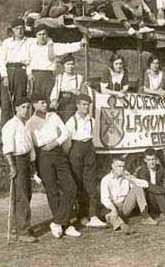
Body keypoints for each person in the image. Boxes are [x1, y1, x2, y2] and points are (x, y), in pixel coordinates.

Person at [26, 94, 79, 238]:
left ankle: (57, 221)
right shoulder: (30, 123)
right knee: (52, 190)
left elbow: (65, 132)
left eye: (46, 102)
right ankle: (65, 224)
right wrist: (34, 169)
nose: (45, 105)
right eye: (42, 103)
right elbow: (30, 146)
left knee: (71, 187)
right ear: (34, 105)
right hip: (42, 155)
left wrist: (55, 143)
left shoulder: (53, 116)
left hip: (57, 151)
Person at [65, 94, 108, 228]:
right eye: (83, 104)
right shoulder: (72, 121)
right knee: (78, 183)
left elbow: (96, 136)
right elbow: (66, 140)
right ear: (77, 105)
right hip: (76, 149)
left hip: (89, 148)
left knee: (91, 183)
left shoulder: (92, 120)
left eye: (88, 105)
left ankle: (93, 215)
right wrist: (70, 155)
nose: (86, 107)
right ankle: (82, 215)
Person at [1, 97, 38, 243]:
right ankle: (22, 231)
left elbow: (30, 146)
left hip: (26, 161)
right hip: (17, 160)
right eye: (23, 107)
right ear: (16, 108)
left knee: (26, 194)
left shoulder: (26, 124)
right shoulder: (11, 125)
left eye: (28, 107)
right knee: (21, 195)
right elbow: (7, 149)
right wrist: (12, 166)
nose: (26, 110)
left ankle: (20, 225)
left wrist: (33, 164)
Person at [100, 157, 159, 234]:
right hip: (112, 207)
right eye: (119, 166)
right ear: (112, 166)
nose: (121, 169)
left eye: (123, 167)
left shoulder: (126, 177)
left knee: (137, 188)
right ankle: (122, 225)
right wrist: (113, 209)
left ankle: (145, 216)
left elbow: (145, 184)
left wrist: (131, 178)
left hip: (125, 206)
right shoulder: (106, 179)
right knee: (108, 212)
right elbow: (104, 198)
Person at [26, 25, 85, 100]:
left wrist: (80, 44)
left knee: (48, 99)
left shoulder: (53, 46)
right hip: (35, 76)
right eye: (39, 34)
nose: (42, 37)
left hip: (48, 76)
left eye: (44, 34)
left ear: (47, 35)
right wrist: (29, 73)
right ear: (36, 36)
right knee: (34, 99)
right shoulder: (31, 46)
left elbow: (67, 47)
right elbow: (27, 61)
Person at [2, 18, 32, 106]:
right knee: (6, 101)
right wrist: (4, 76)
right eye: (17, 28)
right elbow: (1, 61)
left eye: (22, 28)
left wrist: (29, 74)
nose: (19, 31)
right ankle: (6, 120)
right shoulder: (6, 42)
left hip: (21, 72)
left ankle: (19, 119)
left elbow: (30, 61)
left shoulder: (29, 42)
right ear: (12, 30)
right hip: (9, 71)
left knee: (20, 100)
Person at [50, 54, 86, 122]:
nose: (70, 67)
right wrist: (54, 100)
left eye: (72, 64)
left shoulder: (79, 78)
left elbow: (83, 93)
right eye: (68, 64)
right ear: (64, 65)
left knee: (68, 118)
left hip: (72, 102)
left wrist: (79, 93)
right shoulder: (60, 77)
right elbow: (55, 90)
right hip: (61, 100)